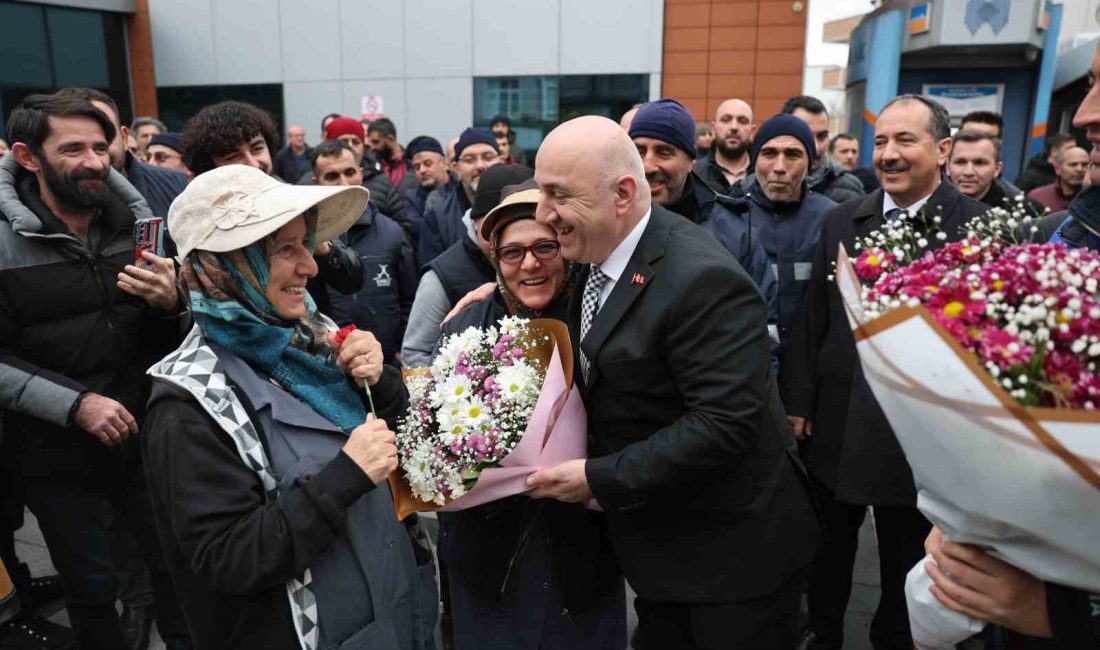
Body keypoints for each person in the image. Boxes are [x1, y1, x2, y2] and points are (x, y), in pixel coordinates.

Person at [525, 115, 822, 649]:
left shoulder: (702, 279)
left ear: (621, 193)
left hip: (732, 564)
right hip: (665, 553)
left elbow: (724, 424)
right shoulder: (600, 253)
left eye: (557, 195)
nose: (544, 215)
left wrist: (598, 477)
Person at [142, 164, 436, 650]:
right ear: (228, 266)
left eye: (307, 243)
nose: (312, 265)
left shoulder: (311, 340)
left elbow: (401, 445)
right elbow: (227, 559)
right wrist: (346, 476)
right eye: (284, 248)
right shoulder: (186, 404)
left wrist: (379, 381)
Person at [780, 94, 990, 650]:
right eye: (881, 142)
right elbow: (813, 322)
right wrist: (798, 402)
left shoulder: (977, 229)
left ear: (943, 150)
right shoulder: (843, 220)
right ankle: (820, 634)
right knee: (826, 555)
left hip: (920, 442)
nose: (889, 155)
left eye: (905, 141)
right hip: (836, 427)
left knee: (906, 562)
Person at [0, 91, 191, 649]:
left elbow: (173, 337)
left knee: (173, 572)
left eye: (100, 147)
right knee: (91, 588)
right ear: (28, 156)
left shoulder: (141, 229)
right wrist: (75, 405)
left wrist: (171, 304)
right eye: (73, 148)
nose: (92, 161)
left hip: (144, 438)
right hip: (53, 450)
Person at [437, 180, 626, 650]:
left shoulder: (598, 316)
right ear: (495, 261)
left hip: (580, 548)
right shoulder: (465, 326)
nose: (530, 264)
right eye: (512, 253)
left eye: (545, 247)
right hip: (488, 558)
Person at [627, 99, 777, 320]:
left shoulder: (735, 233)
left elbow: (763, 324)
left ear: (691, 162)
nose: (648, 165)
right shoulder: (610, 225)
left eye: (664, 152)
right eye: (639, 151)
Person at [401, 164, 531, 368]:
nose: (506, 236)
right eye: (494, 224)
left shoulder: (560, 266)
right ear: (476, 222)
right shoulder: (443, 276)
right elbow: (416, 352)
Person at [734, 114, 836, 358]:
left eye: (792, 154)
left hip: (813, 367)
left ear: (810, 163)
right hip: (748, 362)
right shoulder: (730, 218)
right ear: (754, 160)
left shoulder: (833, 218)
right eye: (769, 153)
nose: (779, 167)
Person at [312, 140, 416, 365]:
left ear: (361, 175)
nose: (344, 183)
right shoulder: (307, 239)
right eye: (332, 176)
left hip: (384, 362)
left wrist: (399, 346)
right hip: (326, 362)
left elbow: (409, 298)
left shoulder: (392, 232)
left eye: (350, 172)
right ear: (316, 182)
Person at [418, 128, 500, 265]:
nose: (480, 165)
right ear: (456, 168)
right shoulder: (437, 218)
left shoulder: (516, 206)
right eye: (469, 159)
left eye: (488, 157)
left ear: (501, 161)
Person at [318, 117, 410, 230]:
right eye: (344, 141)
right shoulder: (309, 185)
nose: (351, 147)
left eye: (356, 142)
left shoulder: (382, 182)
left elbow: (403, 229)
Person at [779, 95, 865, 204]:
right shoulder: (757, 184)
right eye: (806, 135)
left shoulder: (851, 190)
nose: (815, 147)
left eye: (822, 136)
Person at [948, 129, 1045, 214]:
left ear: (997, 169)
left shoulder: (1026, 211)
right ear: (947, 166)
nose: (968, 172)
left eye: (979, 163)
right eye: (960, 162)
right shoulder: (934, 204)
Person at [694, 98, 754, 193]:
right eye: (726, 120)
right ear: (713, 128)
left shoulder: (764, 176)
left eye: (742, 121)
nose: (734, 127)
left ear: (752, 131)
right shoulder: (695, 176)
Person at [403, 135, 451, 249]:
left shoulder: (460, 191)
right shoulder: (411, 199)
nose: (422, 170)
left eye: (428, 163)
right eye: (417, 167)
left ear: (444, 164)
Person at [1026, 145, 1089, 212]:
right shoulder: (1037, 196)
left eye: (1085, 164)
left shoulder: (1094, 198)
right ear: (1058, 169)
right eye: (1073, 164)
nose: (1079, 169)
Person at [367, 118, 414, 191]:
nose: (372, 147)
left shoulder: (411, 163)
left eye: (376, 142)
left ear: (390, 139)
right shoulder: (372, 165)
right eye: (371, 143)